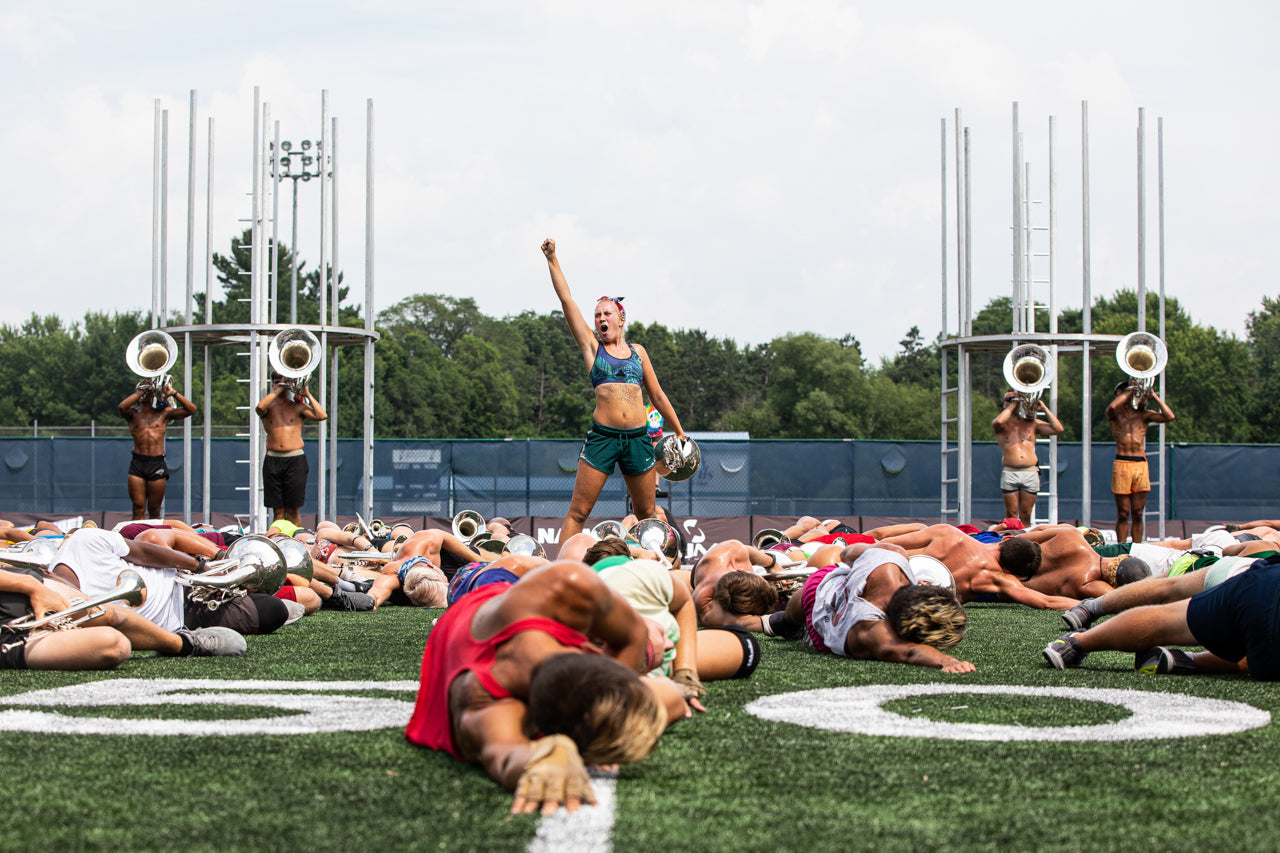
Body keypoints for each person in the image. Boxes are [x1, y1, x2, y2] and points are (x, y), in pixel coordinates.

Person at [404, 560, 700, 814]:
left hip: (506, 608)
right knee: (666, 691)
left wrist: (642, 676)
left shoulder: (569, 586)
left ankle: (645, 663)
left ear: (592, 651)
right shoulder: (486, 701)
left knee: (657, 660)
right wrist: (550, 754)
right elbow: (505, 754)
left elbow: (634, 633)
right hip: (460, 635)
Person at [541, 238, 687, 547]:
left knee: (646, 512)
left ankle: (648, 567)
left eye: (607, 314)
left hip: (638, 440)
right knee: (579, 512)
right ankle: (560, 571)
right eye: (597, 316)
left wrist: (680, 432)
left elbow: (658, 397)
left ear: (621, 319)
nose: (601, 319)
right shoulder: (593, 348)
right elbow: (567, 301)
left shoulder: (639, 353)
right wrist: (553, 259)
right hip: (603, 438)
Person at [1043, 554, 1280, 679]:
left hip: (1258, 585)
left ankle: (1076, 642)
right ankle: (1186, 660)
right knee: (1247, 659)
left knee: (1168, 613)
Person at [770, 542, 973, 672]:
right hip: (821, 623)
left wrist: (859, 572)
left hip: (825, 585)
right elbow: (909, 652)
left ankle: (780, 622)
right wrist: (946, 660)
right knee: (803, 605)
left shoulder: (891, 556)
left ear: (925, 587)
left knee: (826, 559)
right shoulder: (874, 630)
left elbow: (846, 553)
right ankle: (780, 622)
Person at [876, 524, 1079, 610]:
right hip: (912, 607)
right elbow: (1047, 602)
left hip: (884, 581)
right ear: (1011, 571)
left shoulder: (947, 532)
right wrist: (1098, 606)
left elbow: (884, 544)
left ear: (1004, 542)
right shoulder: (999, 578)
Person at [1106, 381, 1175, 543]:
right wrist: (1129, 391)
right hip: (1122, 463)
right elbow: (1112, 408)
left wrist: (1154, 397)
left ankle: (1137, 547)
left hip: (1140, 464)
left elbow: (1169, 416)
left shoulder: (1143, 415)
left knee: (1138, 512)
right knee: (1123, 513)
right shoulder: (1115, 416)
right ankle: (1121, 548)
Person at [255, 374, 328, 527]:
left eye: (283, 381)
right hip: (273, 460)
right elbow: (260, 408)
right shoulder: (268, 407)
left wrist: (306, 393)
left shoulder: (298, 406)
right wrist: (279, 389)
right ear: (272, 385)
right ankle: (279, 541)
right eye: (276, 382)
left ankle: (295, 542)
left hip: (295, 460)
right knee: (278, 511)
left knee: (293, 510)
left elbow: (321, 415)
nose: (280, 385)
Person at [118, 382, 197, 520]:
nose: (145, 394)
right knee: (137, 508)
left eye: (148, 391)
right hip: (138, 462)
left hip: (156, 463)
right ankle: (135, 539)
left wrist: (173, 393)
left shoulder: (164, 414)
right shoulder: (132, 414)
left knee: (155, 510)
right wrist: (140, 392)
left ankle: (153, 540)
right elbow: (122, 406)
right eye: (143, 391)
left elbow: (191, 409)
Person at [992, 390, 1064, 527]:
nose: (1012, 400)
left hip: (1030, 472)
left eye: (1014, 399)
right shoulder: (1000, 426)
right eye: (1008, 399)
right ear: (1004, 403)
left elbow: (1058, 429)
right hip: (1010, 472)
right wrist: (1015, 402)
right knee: (1011, 516)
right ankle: (1011, 542)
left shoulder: (1032, 423)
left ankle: (1026, 545)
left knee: (1026, 515)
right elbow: (998, 421)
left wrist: (1044, 408)